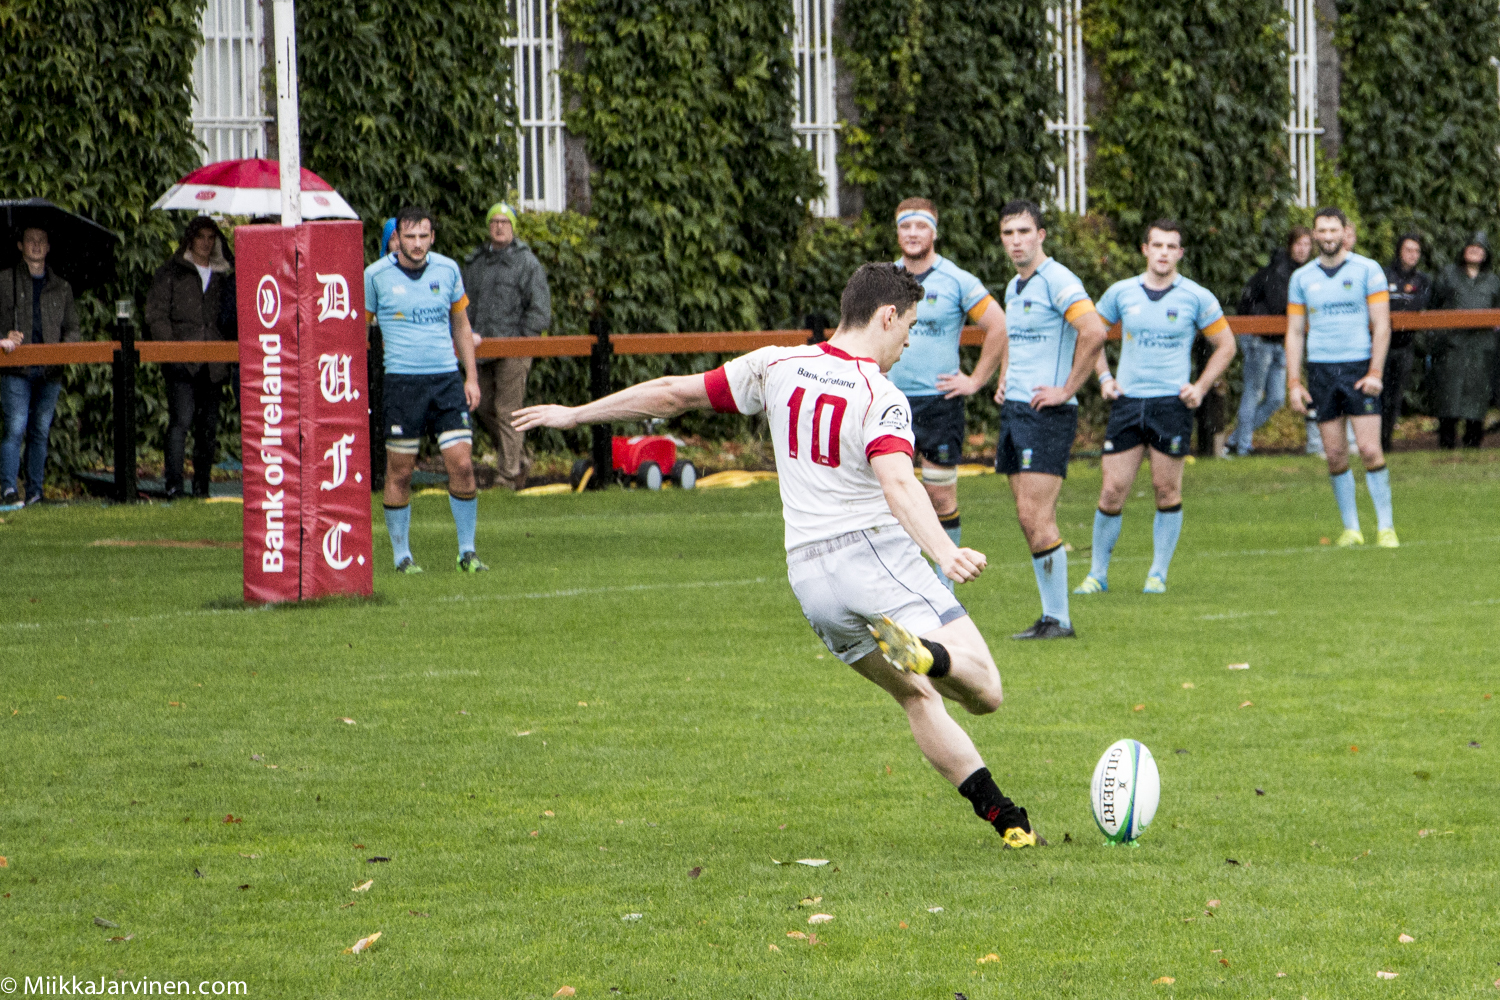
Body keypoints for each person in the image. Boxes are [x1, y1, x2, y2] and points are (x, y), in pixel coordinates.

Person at [513, 262, 1044, 849]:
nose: (910, 341)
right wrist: (944, 550)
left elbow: (671, 392)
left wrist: (576, 414)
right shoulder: (881, 393)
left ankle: (1005, 819)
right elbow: (897, 483)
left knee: (913, 697)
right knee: (985, 691)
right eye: (910, 326)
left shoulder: (775, 363)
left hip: (810, 579)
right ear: (886, 316)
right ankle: (931, 653)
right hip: (873, 557)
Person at [1075, 220, 1236, 595]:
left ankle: (1157, 574)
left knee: (1166, 489)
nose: (1164, 252)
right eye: (1157, 245)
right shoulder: (1121, 292)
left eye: (1171, 246)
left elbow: (1226, 344)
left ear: (1180, 253)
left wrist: (1200, 387)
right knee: (1112, 490)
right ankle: (1097, 574)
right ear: (1145, 249)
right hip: (1128, 403)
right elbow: (1091, 335)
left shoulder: (1196, 296)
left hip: (1171, 405)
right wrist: (1103, 378)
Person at [993, 200, 1108, 639]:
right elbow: (1015, 340)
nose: (1017, 241)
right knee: (1028, 517)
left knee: (1036, 514)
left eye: (1024, 231)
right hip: (1017, 409)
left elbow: (1094, 331)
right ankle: (1051, 615)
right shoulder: (1015, 286)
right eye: (1009, 233)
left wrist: (1067, 389)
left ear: (1041, 235)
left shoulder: (1057, 280)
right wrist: (1005, 378)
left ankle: (1059, 618)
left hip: (1047, 413)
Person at [885, 198, 1006, 591]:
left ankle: (945, 589)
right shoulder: (884, 279)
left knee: (939, 497)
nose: (913, 234)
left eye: (920, 226)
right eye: (906, 227)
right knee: (888, 497)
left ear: (933, 232)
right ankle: (896, 586)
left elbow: (998, 325)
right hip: (888, 403)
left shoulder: (956, 279)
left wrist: (975, 380)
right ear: (897, 232)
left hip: (940, 405)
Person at [365, 205, 487, 573]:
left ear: (432, 237)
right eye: (409, 236)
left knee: (463, 465)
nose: (417, 244)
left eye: (423, 236)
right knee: (400, 471)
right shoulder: (375, 276)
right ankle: (402, 556)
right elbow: (357, 330)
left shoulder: (448, 270)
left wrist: (471, 377)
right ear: (396, 238)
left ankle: (467, 551)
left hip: (446, 380)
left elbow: (462, 326)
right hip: (402, 383)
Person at [1285, 207, 1397, 547]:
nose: (1329, 236)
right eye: (1322, 230)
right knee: (1334, 455)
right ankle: (1352, 528)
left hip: (1359, 368)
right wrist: (1294, 381)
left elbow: (1382, 325)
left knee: (1369, 449)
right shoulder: (1302, 278)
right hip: (1321, 370)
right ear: (1314, 235)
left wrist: (1375, 371)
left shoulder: (1367, 270)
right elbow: (1294, 332)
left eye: (1334, 230)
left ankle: (1386, 526)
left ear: (1345, 231)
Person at [145, 215, 235, 499]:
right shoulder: (171, 272)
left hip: (214, 364)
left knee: (208, 429)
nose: (206, 243)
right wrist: (173, 351)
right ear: (190, 239)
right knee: (180, 423)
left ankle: (202, 486)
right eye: (201, 237)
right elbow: (156, 315)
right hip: (181, 362)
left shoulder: (224, 274)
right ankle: (174, 485)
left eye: (212, 238)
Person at [464, 201, 552, 490]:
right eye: (494, 221)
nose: (499, 226)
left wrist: (522, 342)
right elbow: (462, 305)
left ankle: (507, 476)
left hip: (515, 348)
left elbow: (540, 309)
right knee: (483, 405)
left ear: (513, 227)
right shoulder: (475, 262)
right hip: (480, 349)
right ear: (488, 226)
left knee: (508, 410)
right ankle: (520, 459)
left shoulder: (527, 262)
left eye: (505, 221)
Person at [0, 226, 79, 507]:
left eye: (41, 241)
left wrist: (62, 348)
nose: (36, 245)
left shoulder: (62, 287)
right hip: (15, 370)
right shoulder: (5, 280)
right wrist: (3, 338)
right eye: (30, 240)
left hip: (49, 371)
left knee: (40, 431)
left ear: (48, 247)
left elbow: (73, 328)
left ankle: (35, 492)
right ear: (20, 245)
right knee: (15, 428)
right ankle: (9, 489)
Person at [1231, 226, 1312, 455]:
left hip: (1282, 341)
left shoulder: (1306, 272)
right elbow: (1279, 306)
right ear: (1290, 246)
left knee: (1276, 398)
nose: (1303, 249)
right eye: (1299, 244)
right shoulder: (1278, 271)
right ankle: (1243, 446)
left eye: (1307, 245)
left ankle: (1235, 439)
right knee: (1254, 391)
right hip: (1260, 339)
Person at [1428, 232, 1499, 449]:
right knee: (1449, 392)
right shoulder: (1448, 274)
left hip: (1482, 346)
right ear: (1464, 250)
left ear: (1486, 254)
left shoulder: (1494, 281)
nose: (1475, 251)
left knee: (1477, 393)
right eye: (1471, 247)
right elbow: (1434, 304)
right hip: (1453, 344)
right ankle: (1447, 439)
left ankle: (1473, 439)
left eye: (1480, 248)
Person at [1380, 234, 1432, 452]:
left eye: (1416, 251)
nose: (1412, 255)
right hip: (1382, 344)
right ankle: (1372, 440)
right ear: (1399, 250)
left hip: (1405, 346)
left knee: (1395, 396)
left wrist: (1401, 305)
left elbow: (1418, 305)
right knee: (1377, 395)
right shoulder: (1384, 274)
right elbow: (1383, 306)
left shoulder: (1422, 280)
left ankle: (1387, 442)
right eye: (1408, 250)